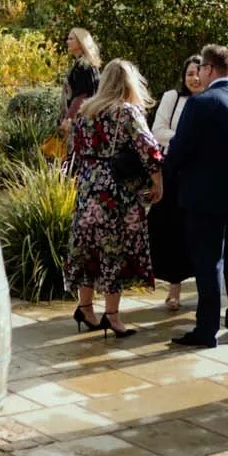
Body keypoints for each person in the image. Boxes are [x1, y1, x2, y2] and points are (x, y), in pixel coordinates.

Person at [162, 43, 228, 348]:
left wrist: (166, 179)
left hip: (205, 197)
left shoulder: (201, 103)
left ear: (209, 69)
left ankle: (206, 329)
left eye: (201, 70)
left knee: (209, 264)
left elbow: (179, 150)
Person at [67, 59, 163, 337]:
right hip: (115, 192)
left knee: (88, 249)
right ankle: (112, 315)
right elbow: (150, 149)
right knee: (114, 250)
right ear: (130, 83)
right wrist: (157, 183)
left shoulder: (85, 111)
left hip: (87, 187)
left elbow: (75, 147)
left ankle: (85, 308)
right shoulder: (127, 112)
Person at [147, 54, 205, 312]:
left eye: (198, 72)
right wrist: (187, 141)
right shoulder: (172, 98)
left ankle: (204, 290)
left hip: (200, 173)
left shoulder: (210, 101)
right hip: (172, 171)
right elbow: (157, 132)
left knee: (199, 232)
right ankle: (174, 291)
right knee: (171, 230)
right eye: (189, 72)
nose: (194, 78)